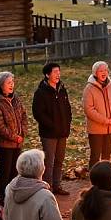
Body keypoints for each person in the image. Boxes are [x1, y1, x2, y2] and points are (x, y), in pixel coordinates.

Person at [32, 62, 73, 196]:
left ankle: (57, 185)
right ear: (47, 74)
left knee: (59, 160)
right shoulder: (41, 92)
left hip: (62, 132)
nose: (58, 74)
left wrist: (67, 124)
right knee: (49, 161)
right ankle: (47, 188)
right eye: (55, 72)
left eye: (59, 71)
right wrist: (52, 125)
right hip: (49, 134)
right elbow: (38, 113)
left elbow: (68, 108)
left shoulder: (62, 89)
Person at [0, 72, 28, 204]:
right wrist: (14, 137)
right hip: (5, 144)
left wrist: (23, 133)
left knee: (15, 171)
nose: (12, 85)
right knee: (5, 171)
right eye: (8, 83)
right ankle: (2, 197)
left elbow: (23, 116)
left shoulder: (16, 99)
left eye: (12, 82)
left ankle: (13, 193)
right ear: (1, 85)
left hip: (18, 142)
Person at [82, 62, 111, 169]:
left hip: (110, 128)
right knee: (95, 156)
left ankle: (105, 179)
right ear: (95, 73)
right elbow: (88, 109)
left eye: (105, 70)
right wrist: (105, 120)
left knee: (106, 156)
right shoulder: (89, 89)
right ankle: (94, 180)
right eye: (101, 71)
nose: (104, 73)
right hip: (96, 130)